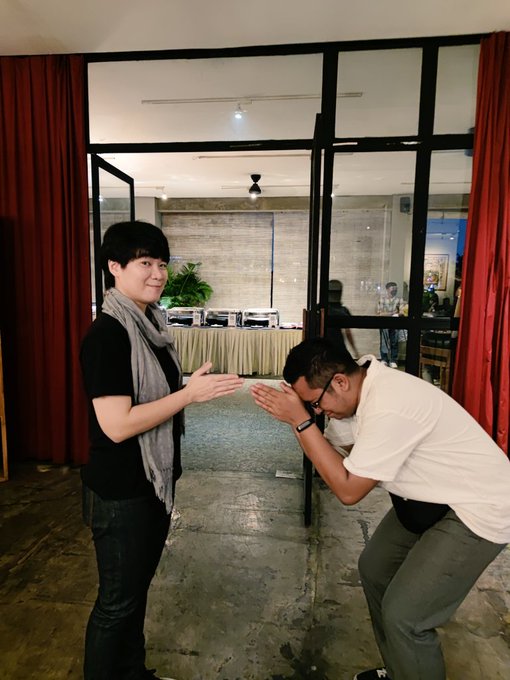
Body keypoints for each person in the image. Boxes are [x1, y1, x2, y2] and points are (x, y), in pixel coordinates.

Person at [250, 337, 510, 680]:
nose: (319, 412)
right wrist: (301, 420)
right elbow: (339, 459)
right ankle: (403, 668)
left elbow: (348, 490)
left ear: (340, 381)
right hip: (429, 497)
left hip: (478, 505)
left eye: (315, 402)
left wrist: (301, 422)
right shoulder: (357, 394)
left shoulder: (389, 403)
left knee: (406, 617)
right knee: (374, 569)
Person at [80, 220, 244, 680]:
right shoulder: (108, 334)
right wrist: (187, 395)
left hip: (151, 483)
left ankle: (133, 673)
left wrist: (185, 388)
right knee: (117, 605)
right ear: (114, 266)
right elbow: (117, 426)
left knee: (135, 596)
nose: (158, 274)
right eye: (145, 263)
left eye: (162, 264)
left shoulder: (151, 324)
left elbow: (153, 397)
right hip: (121, 491)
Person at [326, 279, 359, 357]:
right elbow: (348, 333)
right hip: (337, 346)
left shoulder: (320, 308)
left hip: (324, 347)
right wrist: (355, 351)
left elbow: (348, 332)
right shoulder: (343, 311)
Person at [377, 282, 404, 368]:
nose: (395, 290)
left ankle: (393, 360)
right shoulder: (382, 299)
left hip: (395, 323)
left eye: (396, 288)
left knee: (394, 342)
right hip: (384, 323)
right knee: (383, 342)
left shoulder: (399, 300)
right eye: (393, 288)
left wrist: (388, 313)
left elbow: (401, 312)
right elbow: (380, 313)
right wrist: (393, 313)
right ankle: (384, 359)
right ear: (387, 289)